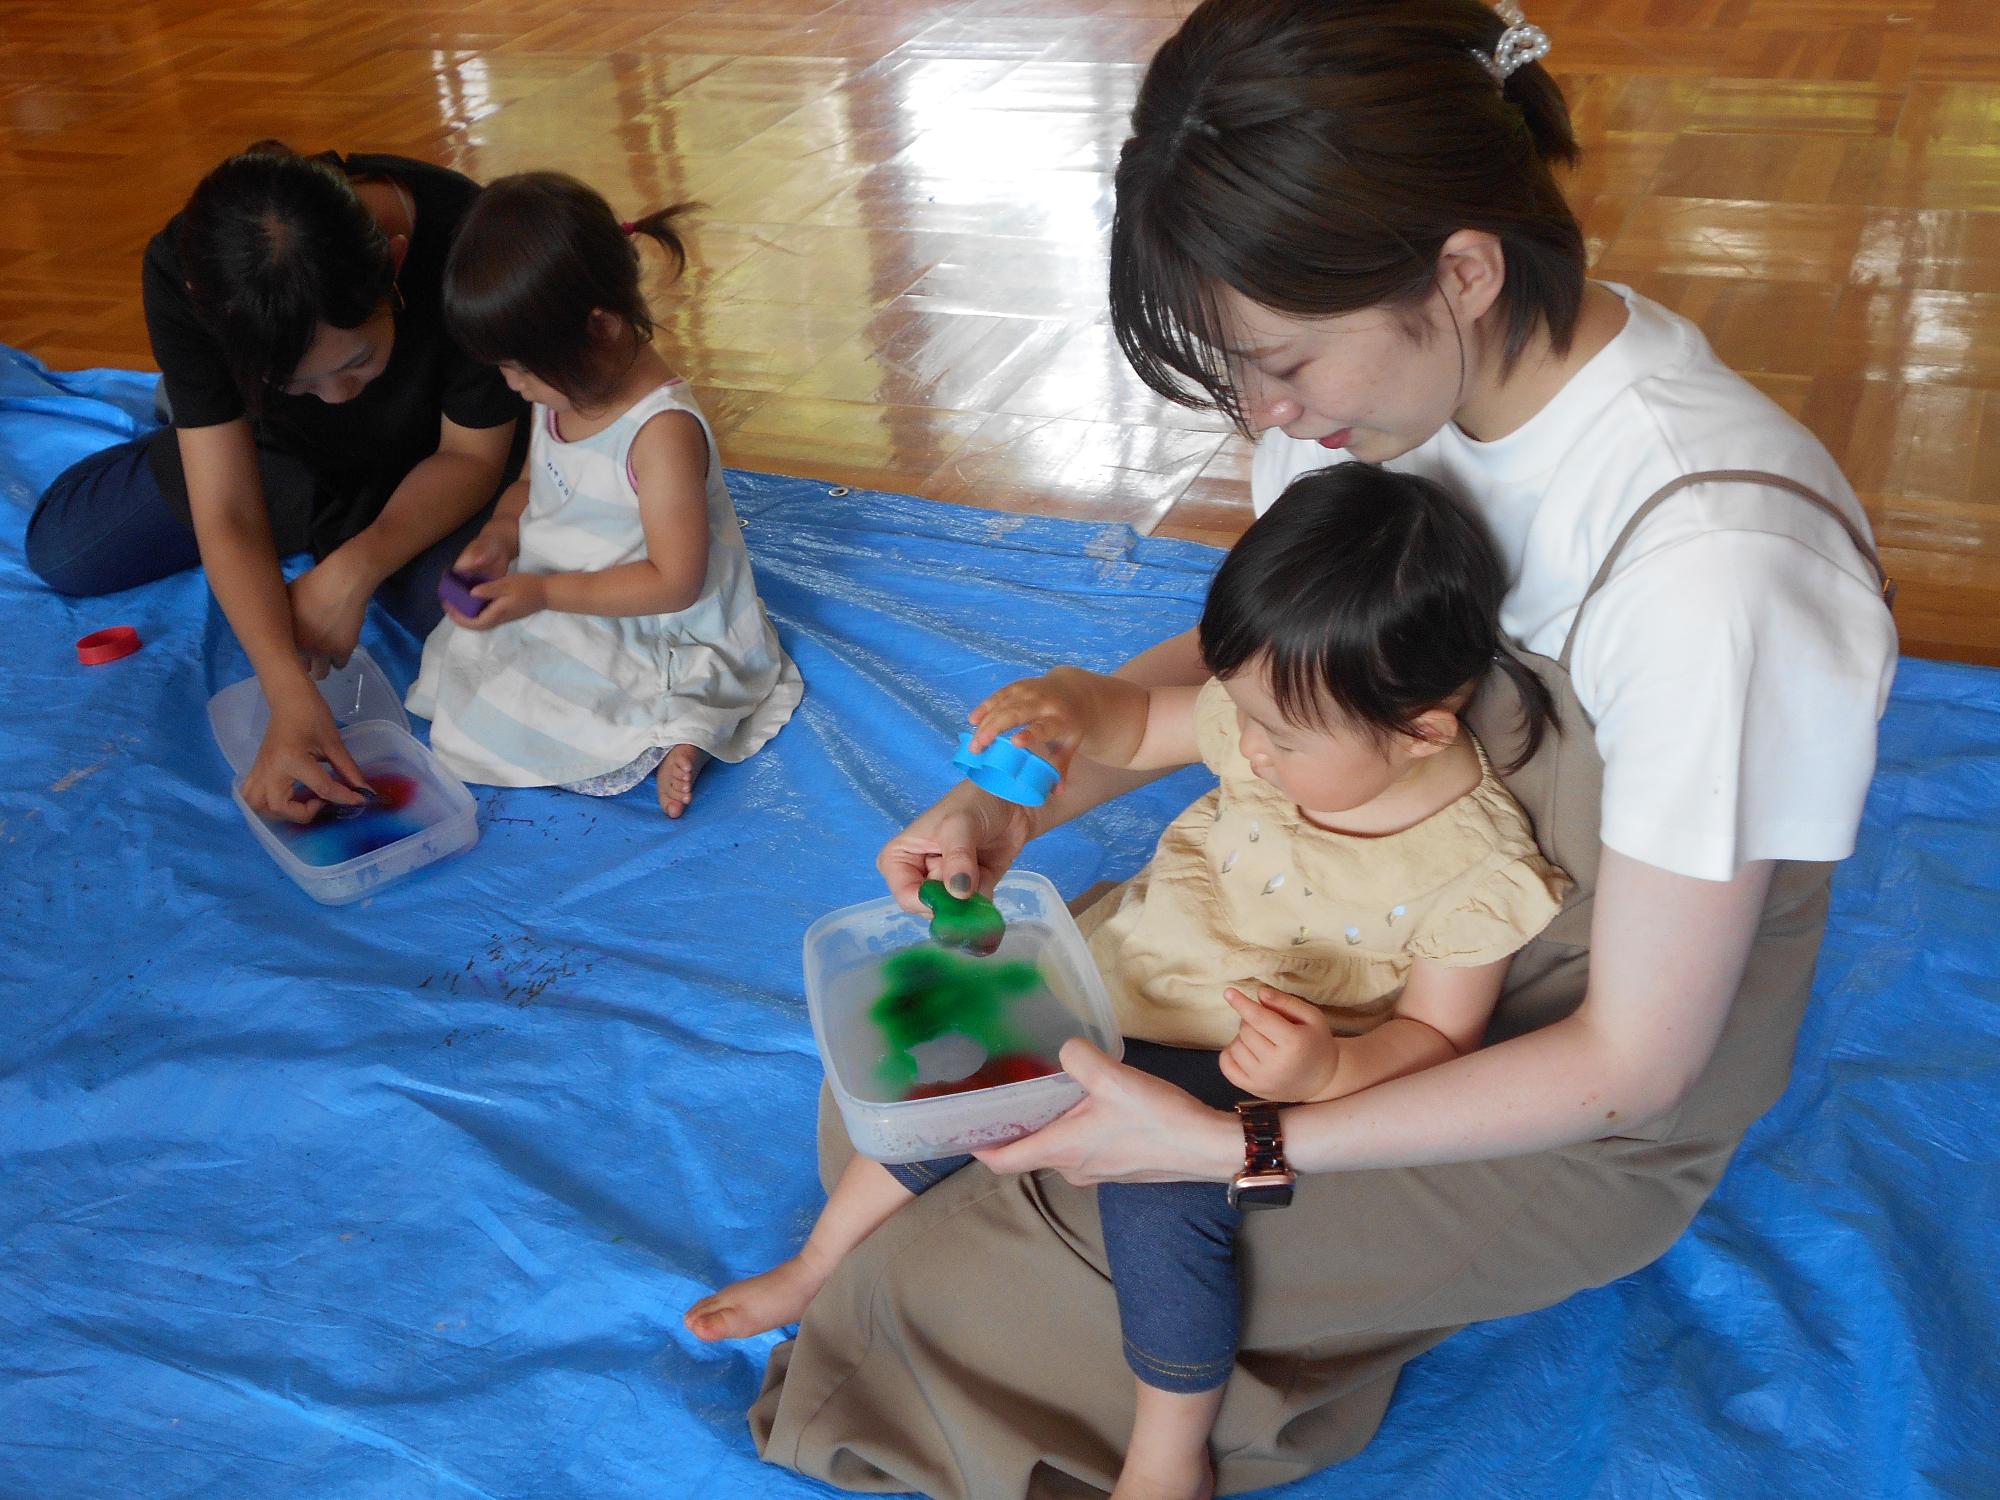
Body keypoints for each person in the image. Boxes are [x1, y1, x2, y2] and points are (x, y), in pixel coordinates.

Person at [747, 2, 1899, 1496]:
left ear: (1464, 272)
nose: (1262, 416)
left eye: (1278, 366)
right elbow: (1255, 680)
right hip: (1304, 927)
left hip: (1538, 1053)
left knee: (950, 1292)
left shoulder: (1712, 564)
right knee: (914, 1084)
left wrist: (1240, 1149)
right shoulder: (1363, 398)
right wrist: (1013, 795)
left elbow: (1633, 1065)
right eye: (1237, 370)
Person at [689, 464, 1571, 1499]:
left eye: (1279, 738)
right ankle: (820, 1261)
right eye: (1239, 714)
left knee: (1163, 1204)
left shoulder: (1475, 874)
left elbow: (1436, 1043)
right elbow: (1129, 723)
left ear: (1422, 727)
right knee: (957, 1055)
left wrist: (1326, 1067)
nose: (1245, 747)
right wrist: (1065, 704)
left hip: (1227, 1075)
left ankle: (1167, 1448)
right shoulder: (1271, 716)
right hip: (1124, 984)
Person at [24, 142, 526, 824]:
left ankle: (312, 518)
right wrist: (287, 692)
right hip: (275, 458)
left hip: (431, 461)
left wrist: (355, 569)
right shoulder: (188, 271)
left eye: (358, 359)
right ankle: (196, 426)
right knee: (63, 551)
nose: (338, 394)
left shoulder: (473, 242)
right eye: (296, 380)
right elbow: (227, 507)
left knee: (485, 632)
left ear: (396, 266)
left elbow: (470, 459)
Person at [404, 173, 801, 819]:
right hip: (569, 588)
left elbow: (675, 583)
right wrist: (501, 538)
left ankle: (684, 736)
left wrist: (544, 595)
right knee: (466, 671)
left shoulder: (660, 432)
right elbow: (533, 485)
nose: (514, 386)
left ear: (602, 328)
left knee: (632, 691)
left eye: (521, 369)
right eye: (504, 368)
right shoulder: (564, 387)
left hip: (655, 614)